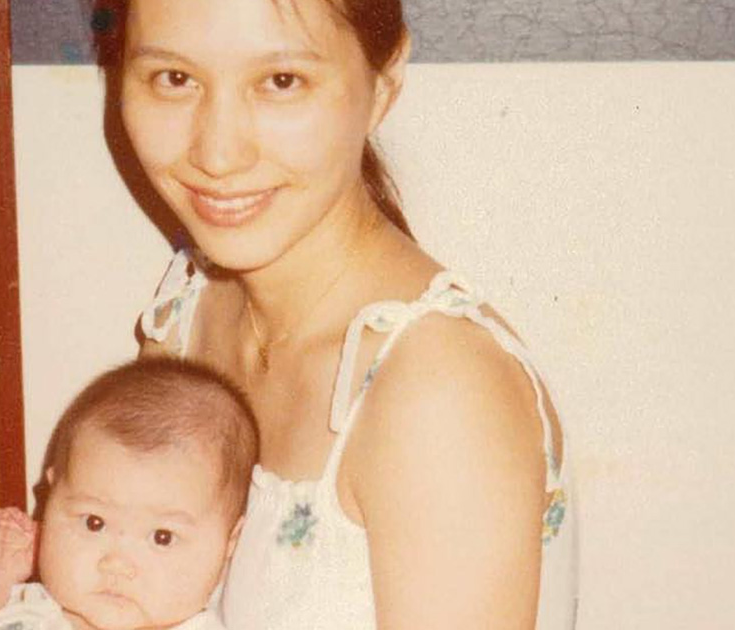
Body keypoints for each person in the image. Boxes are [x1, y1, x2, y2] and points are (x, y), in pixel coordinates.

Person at [92, 0, 579, 628]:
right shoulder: (191, 304)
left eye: (281, 81)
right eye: (175, 78)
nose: (216, 153)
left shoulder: (437, 391)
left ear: (384, 82)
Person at [0, 358, 259, 630]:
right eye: (94, 522)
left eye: (162, 537)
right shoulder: (32, 613)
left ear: (229, 544)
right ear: (49, 502)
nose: (116, 564)